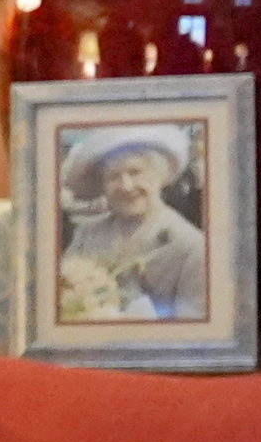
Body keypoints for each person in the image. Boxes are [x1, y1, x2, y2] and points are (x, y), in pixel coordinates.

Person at [53, 134, 207, 322]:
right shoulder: (87, 233)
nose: (126, 186)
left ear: (160, 175)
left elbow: (195, 331)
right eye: (113, 177)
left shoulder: (191, 246)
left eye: (135, 172)